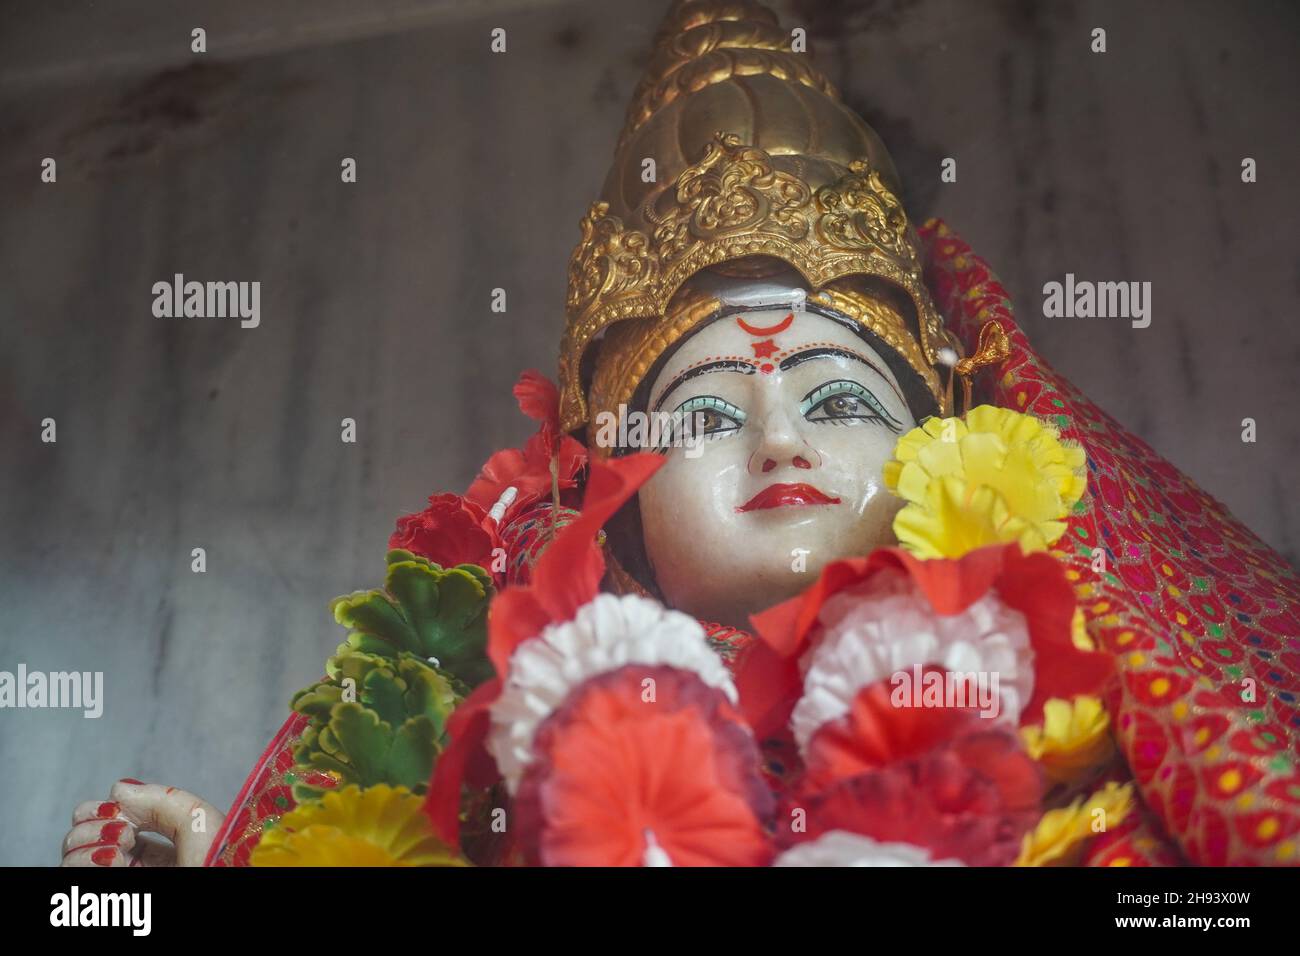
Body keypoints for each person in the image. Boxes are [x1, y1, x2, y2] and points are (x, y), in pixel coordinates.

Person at [63, 0, 1299, 868]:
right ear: (609, 489)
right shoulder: (519, 782)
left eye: (837, 396)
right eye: (702, 411)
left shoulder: (1088, 723)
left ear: (952, 437)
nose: (776, 439)